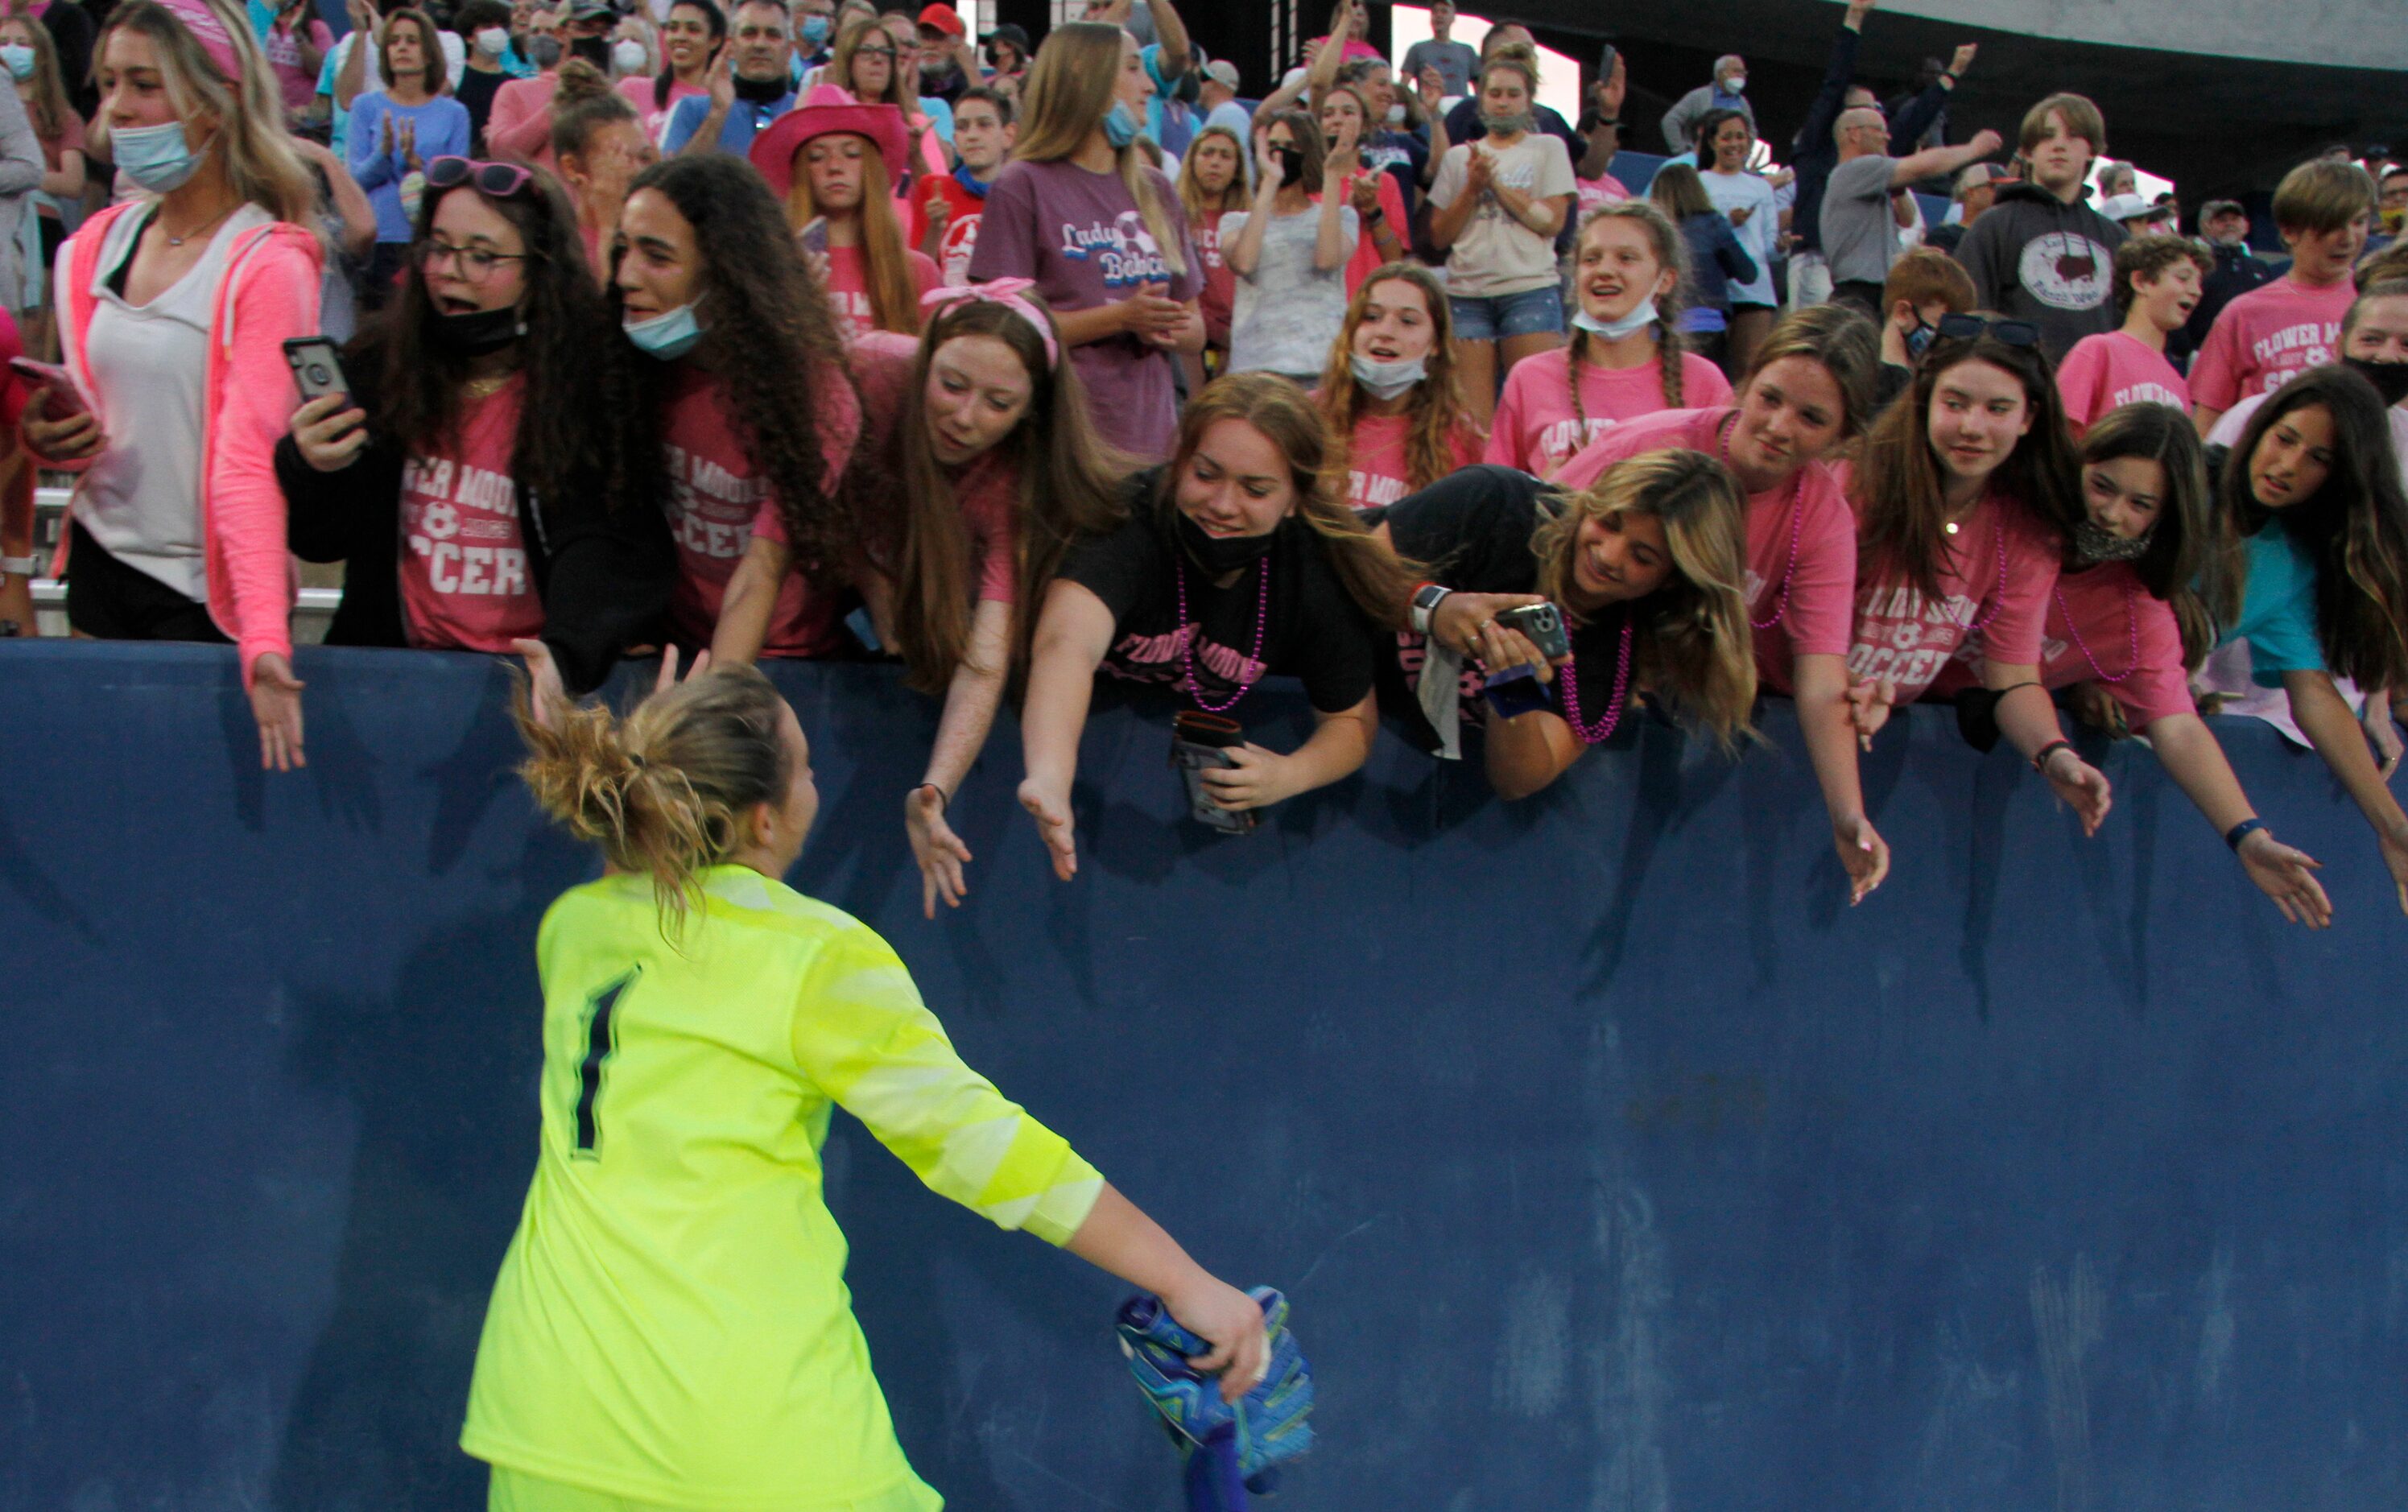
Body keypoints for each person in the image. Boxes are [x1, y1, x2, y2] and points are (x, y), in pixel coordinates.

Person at [462, 644, 1273, 1512]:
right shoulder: (813, 954)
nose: (815, 784)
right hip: (735, 1433)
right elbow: (982, 1147)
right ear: (765, 820)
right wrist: (1184, 1279)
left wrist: (645, 771)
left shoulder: (576, 929)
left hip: (544, 1419)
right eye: (806, 769)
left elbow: (639, 889)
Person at [718, 285, 1126, 917]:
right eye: (951, 384)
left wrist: (935, 788)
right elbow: (765, 562)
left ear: (1030, 412)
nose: (964, 417)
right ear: (925, 358)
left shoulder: (1018, 484)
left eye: (998, 403)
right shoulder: (866, 373)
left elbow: (983, 659)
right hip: (842, 567)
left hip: (923, 590)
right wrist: (712, 711)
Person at [22, 0, 324, 771]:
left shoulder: (269, 263)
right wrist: (52, 436)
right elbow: (105, 410)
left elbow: (247, 461)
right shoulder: (93, 246)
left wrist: (262, 634)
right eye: (112, 81)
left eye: (146, 84)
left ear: (215, 101)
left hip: (202, 599)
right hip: (99, 566)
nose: (118, 106)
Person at [1924, 404, 2335, 923]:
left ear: (2165, 517)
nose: (2112, 513)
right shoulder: (2004, 523)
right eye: (2102, 486)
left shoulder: (2140, 611)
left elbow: (2179, 728)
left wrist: (2248, 835)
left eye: (2140, 503)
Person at [279, 155, 669, 691]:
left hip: (529, 689)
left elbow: (603, 545)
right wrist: (310, 466)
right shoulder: (379, 368)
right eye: (437, 248)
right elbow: (321, 540)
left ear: (539, 271)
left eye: (483, 256)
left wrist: (565, 659)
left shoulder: (587, 384)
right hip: (396, 681)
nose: (450, 270)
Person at [1554, 304, 1894, 901]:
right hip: (1560, 676)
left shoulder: (1821, 519)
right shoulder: (1649, 444)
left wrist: (1847, 815)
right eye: (1770, 397)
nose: (1778, 426)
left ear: (1842, 438)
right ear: (1745, 379)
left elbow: (1820, 681)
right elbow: (1535, 543)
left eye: (1810, 418)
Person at [1017, 371, 1416, 877]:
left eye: (1255, 489)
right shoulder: (1126, 519)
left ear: (1295, 498)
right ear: (1179, 463)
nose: (1223, 505)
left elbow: (1350, 723)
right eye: (1206, 475)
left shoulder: (1317, 568)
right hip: (1086, 762)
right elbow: (1065, 645)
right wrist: (1050, 775)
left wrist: (1290, 773)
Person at [1840, 316, 2114, 835]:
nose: (1972, 427)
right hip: (1782, 714)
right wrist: (1844, 687)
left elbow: (2012, 678)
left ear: (2029, 417)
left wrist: (2054, 756)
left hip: (1872, 732)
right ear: (1924, 402)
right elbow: (1800, 640)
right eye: (1955, 403)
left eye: (1998, 409)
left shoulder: (2028, 533)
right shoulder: (1854, 486)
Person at [1368, 452, 1755, 796]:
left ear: (1671, 578)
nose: (1608, 555)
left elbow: (1518, 780)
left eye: (1642, 556)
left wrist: (1513, 686)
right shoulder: (1497, 500)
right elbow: (1352, 568)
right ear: (1592, 501)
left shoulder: (1619, 651)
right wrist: (1435, 609)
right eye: (1609, 522)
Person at [614, 154, 863, 659]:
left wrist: (714, 704)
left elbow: (762, 571)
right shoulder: (631, 366)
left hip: (783, 660)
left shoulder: (817, 393)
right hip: (674, 647)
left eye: (657, 257)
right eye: (623, 250)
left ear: (727, 273)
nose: (626, 277)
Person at [2196, 366, 2408, 911]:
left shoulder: (2291, 563)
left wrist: (2391, 827)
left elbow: (2311, 693)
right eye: (2283, 438)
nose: (2286, 465)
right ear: (2257, 427)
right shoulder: (2183, 485)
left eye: (2318, 459)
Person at [970, 20, 1201, 461]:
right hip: (1064, 448)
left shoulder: (1156, 189)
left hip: (1155, 445)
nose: (1149, 86)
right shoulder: (1022, 185)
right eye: (1133, 69)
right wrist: (1121, 318)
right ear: (1083, 76)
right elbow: (1006, 330)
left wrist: (1165, 322)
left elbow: (1196, 329)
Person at [1488, 203, 1733, 478]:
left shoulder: (1704, 382)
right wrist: (1541, 494)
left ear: (1665, 279)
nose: (1604, 270)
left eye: (1626, 258)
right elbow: (1499, 499)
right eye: (1591, 259)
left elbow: (1723, 498)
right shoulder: (1529, 378)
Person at [1427, 45, 1572, 428]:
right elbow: (1439, 236)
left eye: (1513, 94)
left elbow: (1552, 222)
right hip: (1466, 295)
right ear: (1481, 100)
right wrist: (1472, 188)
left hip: (1530, 290)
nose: (1504, 103)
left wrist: (1495, 184)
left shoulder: (1548, 148)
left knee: (1540, 416)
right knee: (1474, 422)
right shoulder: (1459, 158)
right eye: (1495, 94)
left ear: (1529, 100)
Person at [2190, 159, 2374, 437]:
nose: (2348, 238)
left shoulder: (2379, 307)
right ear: (2289, 231)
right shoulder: (2244, 313)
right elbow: (2208, 425)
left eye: (2358, 221)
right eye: (2331, 224)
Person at [753, 86, 938, 339]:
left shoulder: (918, 271)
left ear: (871, 169)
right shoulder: (775, 268)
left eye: (852, 154)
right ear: (801, 173)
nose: (835, 167)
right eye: (817, 157)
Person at [1952, 93, 2125, 361]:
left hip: (2095, 390)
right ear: (2027, 153)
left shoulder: (2116, 238)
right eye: (2047, 136)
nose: (2058, 146)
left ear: (2092, 149)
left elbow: (2128, 328)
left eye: (2072, 136)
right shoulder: (1994, 225)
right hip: (2017, 387)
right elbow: (1968, 316)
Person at [1315, 262, 1479, 509]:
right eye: (1371, 317)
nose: (1386, 332)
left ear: (1435, 343)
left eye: (1408, 321)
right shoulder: (1308, 415)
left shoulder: (1459, 435)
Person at [346, 6, 470, 308]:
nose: (401, 47)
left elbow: (459, 183)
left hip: (432, 242)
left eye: (412, 41)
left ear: (429, 53)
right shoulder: (365, 106)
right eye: (394, 41)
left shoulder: (454, 113)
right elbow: (354, 183)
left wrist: (420, 166)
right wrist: (384, 153)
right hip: (380, 243)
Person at [1822, 107, 2000, 314]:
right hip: (1859, 295)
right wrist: (1973, 149)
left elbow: (1907, 219)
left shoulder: (1866, 181)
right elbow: (1921, 167)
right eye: (1879, 129)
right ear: (1854, 134)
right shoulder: (1855, 169)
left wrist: (1913, 254)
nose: (1887, 137)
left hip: (1875, 292)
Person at [1221, 108, 1353, 383]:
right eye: (1272, 147)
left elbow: (1326, 259)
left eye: (1292, 146)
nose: (1280, 155)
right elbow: (1244, 262)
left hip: (1319, 368)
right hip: (1254, 369)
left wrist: (1331, 175)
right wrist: (1269, 182)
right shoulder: (1235, 221)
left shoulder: (1341, 217)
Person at [2054, 233, 2206, 434]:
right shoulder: (2097, 350)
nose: (2196, 291)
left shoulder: (2177, 382)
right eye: (2183, 278)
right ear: (2140, 281)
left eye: (2199, 282)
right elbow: (2058, 435)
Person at [1689, 108, 1786, 374]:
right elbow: (1692, 233)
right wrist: (1727, 223)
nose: (1735, 144)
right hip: (1712, 291)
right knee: (1707, 371)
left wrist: (1780, 247)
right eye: (1727, 137)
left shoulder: (1762, 187)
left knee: (1749, 370)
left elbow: (1769, 248)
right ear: (1712, 142)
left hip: (1755, 290)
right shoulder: (1699, 182)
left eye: (1740, 137)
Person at [2, 10, 83, 328]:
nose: (11, 49)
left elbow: (72, 181)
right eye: (4, 41)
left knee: (33, 330)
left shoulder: (60, 115)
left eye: (23, 43)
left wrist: (26, 181)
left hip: (40, 222)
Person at [1646, 165, 1755, 373]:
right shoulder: (1713, 224)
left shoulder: (1651, 233)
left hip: (1659, 332)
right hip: (1707, 329)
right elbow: (1748, 273)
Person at [551, 59, 656, 275]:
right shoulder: (558, 248)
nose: (636, 171)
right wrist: (609, 228)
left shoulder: (659, 238)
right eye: (619, 157)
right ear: (571, 168)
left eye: (644, 158)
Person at [663, 0, 795, 157]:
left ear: (789, 50)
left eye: (773, 35)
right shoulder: (691, 109)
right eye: (749, 33)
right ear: (730, 46)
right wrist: (717, 114)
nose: (760, 44)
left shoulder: (804, 111)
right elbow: (672, 177)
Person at [906, 84, 1010, 284]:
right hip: (951, 312)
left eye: (984, 124)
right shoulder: (934, 189)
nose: (971, 135)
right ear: (956, 141)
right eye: (962, 127)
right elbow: (918, 278)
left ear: (1009, 135)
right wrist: (935, 227)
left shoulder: (1023, 195)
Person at [1316, 81, 1412, 290]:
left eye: (1348, 112)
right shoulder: (1307, 184)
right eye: (1328, 114)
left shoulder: (1384, 183)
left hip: (1367, 299)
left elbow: (1394, 260)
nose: (1338, 120)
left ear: (1365, 125)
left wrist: (1373, 209)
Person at [827, 15, 944, 185]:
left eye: (885, 52)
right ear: (848, 61)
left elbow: (937, 197)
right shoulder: (831, 125)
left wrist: (915, 156)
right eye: (867, 51)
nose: (878, 59)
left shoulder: (916, 125)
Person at [1172, 119, 1243, 382]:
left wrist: (1235, 339)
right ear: (1192, 161)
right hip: (1190, 337)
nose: (1215, 162)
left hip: (1239, 342)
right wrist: (1216, 332)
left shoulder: (1246, 220)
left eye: (1225, 156)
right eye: (1207, 153)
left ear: (1237, 168)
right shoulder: (1175, 215)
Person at [1870, 246, 1975, 407]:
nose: (1949, 340)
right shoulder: (1870, 383)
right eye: (1940, 326)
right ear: (1903, 314)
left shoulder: (1930, 380)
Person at [2182, 196, 2277, 358]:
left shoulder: (2261, 268)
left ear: (2246, 226)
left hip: (2255, 353)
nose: (2229, 224)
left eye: (2235, 219)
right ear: (2210, 227)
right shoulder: (2198, 267)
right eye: (2222, 220)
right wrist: (2188, 350)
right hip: (2209, 354)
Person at [619, 0, 720, 143]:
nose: (680, 37)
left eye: (693, 30)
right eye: (673, 28)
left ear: (714, 40)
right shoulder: (632, 89)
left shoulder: (720, 102)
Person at [454, 0, 519, 150]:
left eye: (502, 27)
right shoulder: (456, 80)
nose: (497, 32)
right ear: (469, 36)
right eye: (488, 27)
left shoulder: (515, 84)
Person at [1660, 52, 1753, 157]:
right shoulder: (1699, 96)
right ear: (1720, 73)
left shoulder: (1743, 103)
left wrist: (1744, 157)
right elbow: (1670, 120)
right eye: (1736, 71)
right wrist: (1681, 152)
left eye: (1743, 72)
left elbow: (1751, 132)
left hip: (1730, 163)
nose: (1741, 76)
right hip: (1702, 161)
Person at [259, 0, 330, 123]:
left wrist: (297, 33)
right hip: (278, 121)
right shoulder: (272, 27)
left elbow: (323, 71)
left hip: (306, 124)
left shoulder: (317, 28)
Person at [1400, 0, 1477, 101]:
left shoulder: (1467, 51)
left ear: (1453, 18)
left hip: (1459, 112)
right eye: (1435, 12)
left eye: (1444, 11)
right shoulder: (1417, 49)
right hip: (1429, 112)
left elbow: (1480, 90)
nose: (1439, 15)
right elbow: (1402, 88)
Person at [1923, 161, 2003, 258]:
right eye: (1994, 187)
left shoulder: (2005, 238)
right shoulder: (1944, 237)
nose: (2003, 192)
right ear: (1971, 193)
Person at [1197, 57, 1249, 141]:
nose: (1199, 84)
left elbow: (1240, 152)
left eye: (1203, 78)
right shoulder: (1223, 113)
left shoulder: (1230, 112)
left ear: (1216, 83)